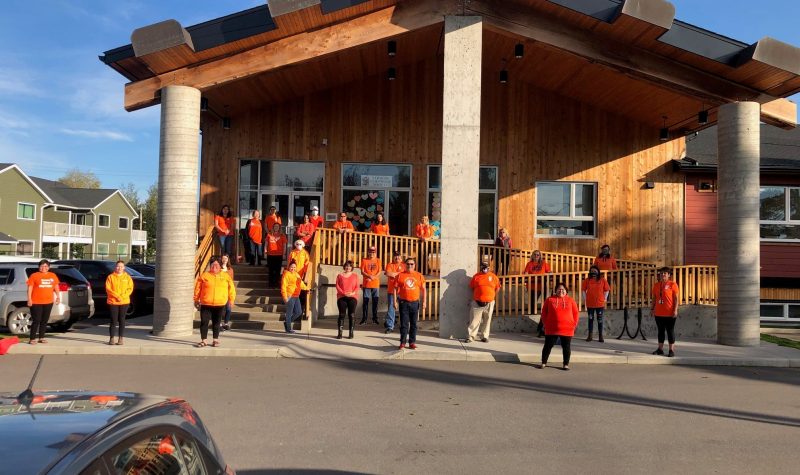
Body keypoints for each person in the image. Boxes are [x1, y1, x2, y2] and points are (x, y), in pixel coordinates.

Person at [194, 256, 236, 348]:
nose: (215, 267)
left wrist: (231, 300)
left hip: (220, 304)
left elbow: (231, 289)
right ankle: (203, 340)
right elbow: (197, 289)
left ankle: (215, 340)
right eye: (213, 265)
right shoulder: (204, 275)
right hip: (206, 304)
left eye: (217, 265)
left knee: (216, 323)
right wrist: (196, 299)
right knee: (204, 322)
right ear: (210, 266)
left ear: (220, 265)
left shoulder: (226, 276)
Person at [539, 282, 580, 370]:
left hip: (567, 329)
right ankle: (543, 363)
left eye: (563, 289)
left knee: (566, 347)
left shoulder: (571, 300)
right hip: (551, 328)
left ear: (566, 291)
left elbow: (576, 313)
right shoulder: (549, 300)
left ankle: (565, 364)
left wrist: (574, 324)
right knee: (548, 346)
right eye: (559, 289)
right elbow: (544, 313)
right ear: (555, 290)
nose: (561, 291)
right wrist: (545, 323)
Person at [394, 258, 426, 350]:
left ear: (414, 265)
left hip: (415, 303)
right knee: (404, 324)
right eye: (408, 264)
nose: (410, 266)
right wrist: (394, 301)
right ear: (405, 265)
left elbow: (423, 289)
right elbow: (395, 289)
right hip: (403, 302)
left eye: (412, 264)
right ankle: (402, 342)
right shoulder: (400, 275)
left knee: (414, 324)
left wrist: (424, 302)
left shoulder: (419, 275)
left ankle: (412, 342)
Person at [26, 259, 60, 345]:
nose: (43, 268)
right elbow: (30, 288)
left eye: (45, 266)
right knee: (36, 320)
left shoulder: (53, 275)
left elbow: (56, 286)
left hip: (48, 301)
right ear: (38, 267)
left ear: (49, 267)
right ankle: (32, 338)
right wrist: (29, 299)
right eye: (41, 266)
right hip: (36, 302)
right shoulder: (34, 275)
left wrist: (58, 296)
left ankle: (41, 337)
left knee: (45, 320)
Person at [466, 262, 501, 343]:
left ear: (489, 268)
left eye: (487, 267)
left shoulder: (493, 276)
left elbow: (498, 287)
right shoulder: (476, 276)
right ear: (481, 267)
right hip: (477, 302)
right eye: (484, 267)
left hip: (489, 302)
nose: (485, 268)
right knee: (474, 320)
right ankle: (471, 336)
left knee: (487, 319)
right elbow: (472, 287)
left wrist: (492, 296)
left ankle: (484, 336)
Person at [651, 267, 680, 357]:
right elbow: (654, 298)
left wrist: (675, 310)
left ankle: (671, 350)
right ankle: (660, 349)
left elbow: (676, 299)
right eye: (661, 273)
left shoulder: (672, 284)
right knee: (660, 331)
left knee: (670, 331)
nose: (663, 275)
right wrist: (652, 309)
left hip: (670, 313)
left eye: (665, 273)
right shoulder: (656, 285)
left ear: (669, 275)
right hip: (659, 313)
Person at [105, 260, 134, 345]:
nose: (119, 268)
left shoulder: (127, 277)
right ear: (115, 267)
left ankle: (121, 338)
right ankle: (112, 338)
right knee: (113, 320)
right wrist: (117, 297)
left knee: (122, 320)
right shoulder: (110, 277)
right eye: (118, 266)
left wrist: (122, 297)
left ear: (124, 268)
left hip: (124, 302)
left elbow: (130, 289)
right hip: (113, 302)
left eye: (121, 266)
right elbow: (108, 289)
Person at [524, 250, 551, 336]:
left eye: (538, 255)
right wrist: (525, 274)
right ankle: (533, 313)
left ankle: (543, 316)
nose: (536, 256)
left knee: (545, 302)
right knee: (532, 301)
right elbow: (525, 272)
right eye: (535, 254)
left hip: (542, 285)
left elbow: (549, 271)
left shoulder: (543, 263)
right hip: (532, 285)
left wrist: (550, 274)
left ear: (540, 256)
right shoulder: (529, 264)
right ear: (532, 256)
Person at [581, 265, 610, 342]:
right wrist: (585, 298)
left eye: (595, 271)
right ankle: (590, 336)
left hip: (600, 304)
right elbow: (583, 290)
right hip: (590, 304)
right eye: (592, 271)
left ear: (598, 272)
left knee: (600, 320)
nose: (593, 272)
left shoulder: (602, 280)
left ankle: (600, 336)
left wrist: (605, 298)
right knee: (590, 319)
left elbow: (607, 290)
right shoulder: (587, 280)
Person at [281, 260, 309, 334]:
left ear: (296, 268)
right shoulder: (286, 274)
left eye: (294, 267)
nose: (293, 268)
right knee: (289, 313)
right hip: (289, 295)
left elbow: (301, 284)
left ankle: (287, 322)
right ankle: (288, 328)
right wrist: (285, 297)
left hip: (296, 296)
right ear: (289, 267)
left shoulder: (297, 274)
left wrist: (307, 288)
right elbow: (283, 286)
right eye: (291, 267)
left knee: (299, 312)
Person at [335, 260, 359, 339]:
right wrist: (343, 293)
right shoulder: (339, 275)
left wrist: (352, 293)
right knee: (342, 315)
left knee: (351, 315)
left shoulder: (355, 276)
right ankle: (340, 333)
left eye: (349, 266)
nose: (348, 267)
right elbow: (337, 286)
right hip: (342, 297)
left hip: (352, 297)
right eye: (346, 266)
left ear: (352, 267)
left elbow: (357, 286)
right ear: (344, 267)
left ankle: (351, 333)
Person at [383, 250, 406, 334]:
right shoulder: (390, 264)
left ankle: (403, 326)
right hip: (392, 290)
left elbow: (404, 275)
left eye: (399, 256)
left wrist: (395, 273)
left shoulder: (404, 265)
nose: (397, 258)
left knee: (403, 309)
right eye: (395, 256)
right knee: (391, 309)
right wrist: (400, 274)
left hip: (403, 291)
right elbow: (389, 274)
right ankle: (390, 326)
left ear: (401, 257)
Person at [288, 240, 311, 317]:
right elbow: (289, 263)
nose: (298, 245)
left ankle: (300, 309)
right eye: (297, 244)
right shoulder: (292, 252)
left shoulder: (305, 253)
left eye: (300, 244)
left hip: (301, 276)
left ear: (303, 245)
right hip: (292, 275)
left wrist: (305, 274)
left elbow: (307, 264)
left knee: (300, 293)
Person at [359, 246, 381, 325]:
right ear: (368, 252)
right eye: (370, 252)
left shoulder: (378, 260)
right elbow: (362, 271)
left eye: (373, 252)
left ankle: (375, 318)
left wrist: (374, 277)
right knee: (365, 302)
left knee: (375, 302)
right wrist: (369, 276)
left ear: (375, 253)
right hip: (367, 284)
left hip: (375, 284)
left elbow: (379, 271)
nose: (372, 253)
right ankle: (364, 319)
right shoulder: (364, 260)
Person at [265, 223, 287, 288]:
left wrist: (284, 254)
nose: (276, 227)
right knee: (271, 270)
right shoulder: (269, 235)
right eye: (275, 226)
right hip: (270, 255)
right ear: (273, 227)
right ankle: (271, 284)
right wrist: (265, 252)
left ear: (279, 228)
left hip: (279, 255)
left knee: (277, 270)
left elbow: (284, 246)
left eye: (277, 226)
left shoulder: (282, 235)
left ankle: (276, 284)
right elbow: (266, 244)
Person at [220, 254, 235, 331]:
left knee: (228, 309)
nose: (224, 259)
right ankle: (219, 324)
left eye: (226, 258)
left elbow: (231, 280)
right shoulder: (218, 268)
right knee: (220, 309)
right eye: (223, 258)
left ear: (228, 259)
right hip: (220, 291)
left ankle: (225, 323)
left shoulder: (230, 269)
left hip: (228, 291)